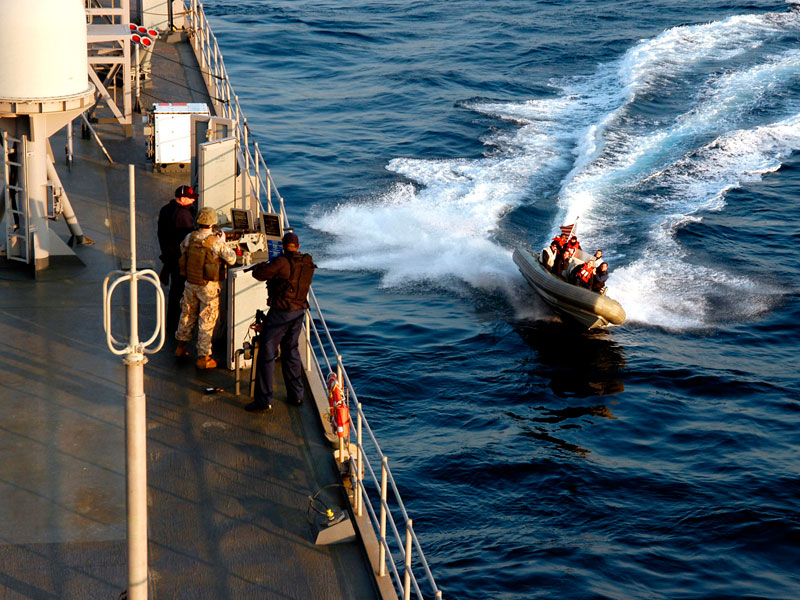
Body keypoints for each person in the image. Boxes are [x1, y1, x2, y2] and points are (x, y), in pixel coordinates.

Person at [246, 232, 317, 412]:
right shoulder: (306, 262)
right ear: (298, 246)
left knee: (267, 354)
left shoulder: (281, 262)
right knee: (291, 351)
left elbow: (260, 275)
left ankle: (264, 399)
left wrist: (259, 267)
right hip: (299, 312)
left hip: (281, 313)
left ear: (283, 247)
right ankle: (296, 396)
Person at [174, 207, 236, 369]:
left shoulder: (190, 237)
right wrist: (222, 242)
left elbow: (182, 249)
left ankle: (180, 347)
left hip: (190, 282)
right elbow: (231, 259)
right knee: (206, 320)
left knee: (187, 314)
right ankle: (203, 357)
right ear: (213, 222)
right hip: (208, 286)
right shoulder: (215, 242)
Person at [158, 185, 198, 335]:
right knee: (180, 292)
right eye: (190, 198)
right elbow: (188, 239)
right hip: (179, 259)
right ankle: (177, 327)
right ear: (182, 199)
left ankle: (172, 324)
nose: (192, 201)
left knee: (174, 291)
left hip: (169, 254)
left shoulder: (166, 209)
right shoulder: (182, 215)